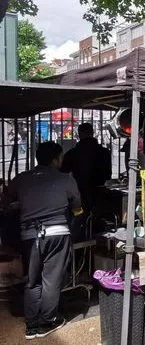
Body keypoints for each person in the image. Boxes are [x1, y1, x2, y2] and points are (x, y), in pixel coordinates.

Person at [2, 142, 82, 340]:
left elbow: (5, 202)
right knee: (51, 279)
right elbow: (77, 206)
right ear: (56, 159)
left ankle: (31, 326)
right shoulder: (65, 179)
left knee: (32, 280)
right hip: (57, 233)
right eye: (61, 157)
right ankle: (47, 322)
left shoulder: (21, 179)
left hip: (29, 236)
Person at [61, 123, 111, 212]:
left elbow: (63, 173)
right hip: (99, 195)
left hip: (79, 195)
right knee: (98, 217)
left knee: (78, 216)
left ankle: (78, 223)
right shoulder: (105, 152)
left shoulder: (72, 153)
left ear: (79, 134)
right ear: (93, 133)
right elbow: (108, 175)